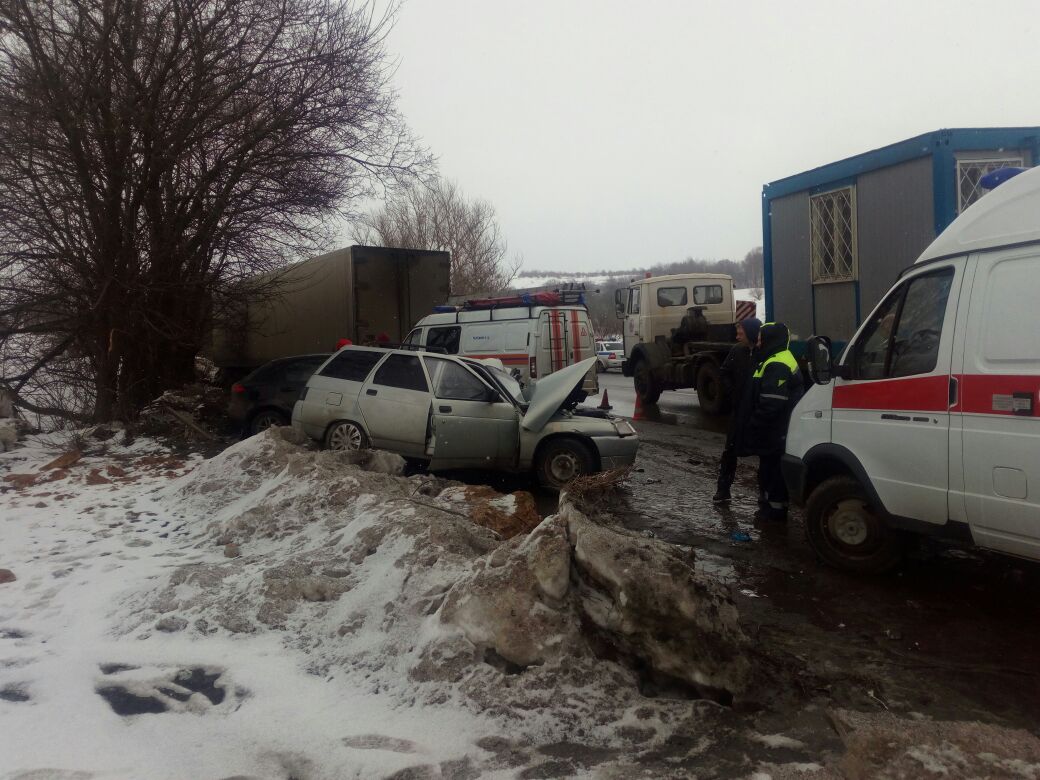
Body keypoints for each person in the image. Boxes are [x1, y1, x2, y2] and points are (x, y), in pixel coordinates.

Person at [738, 322, 804, 521]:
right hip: (776, 430)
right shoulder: (775, 358)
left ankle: (774, 513)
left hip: (775, 431)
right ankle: (772, 507)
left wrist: (753, 424)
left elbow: (771, 404)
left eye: (760, 338)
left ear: (770, 340)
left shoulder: (777, 364)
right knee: (770, 470)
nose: (757, 343)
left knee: (772, 473)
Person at [712, 317, 761, 504]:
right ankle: (723, 490)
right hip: (739, 409)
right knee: (730, 451)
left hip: (757, 410)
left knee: (763, 453)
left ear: (750, 333)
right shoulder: (737, 351)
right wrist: (732, 391)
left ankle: (764, 495)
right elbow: (724, 372)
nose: (737, 334)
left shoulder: (762, 353)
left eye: (740, 332)